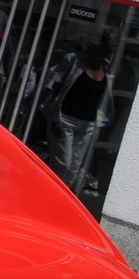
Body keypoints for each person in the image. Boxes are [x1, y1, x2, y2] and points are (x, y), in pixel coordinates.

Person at [40, 35, 116, 194]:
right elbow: (55, 88)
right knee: (63, 163)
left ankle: (59, 198)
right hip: (66, 119)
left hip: (87, 123)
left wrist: (99, 126)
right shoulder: (73, 61)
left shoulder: (107, 68)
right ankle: (44, 191)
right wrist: (54, 118)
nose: (110, 53)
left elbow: (102, 99)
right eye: (109, 49)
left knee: (74, 167)